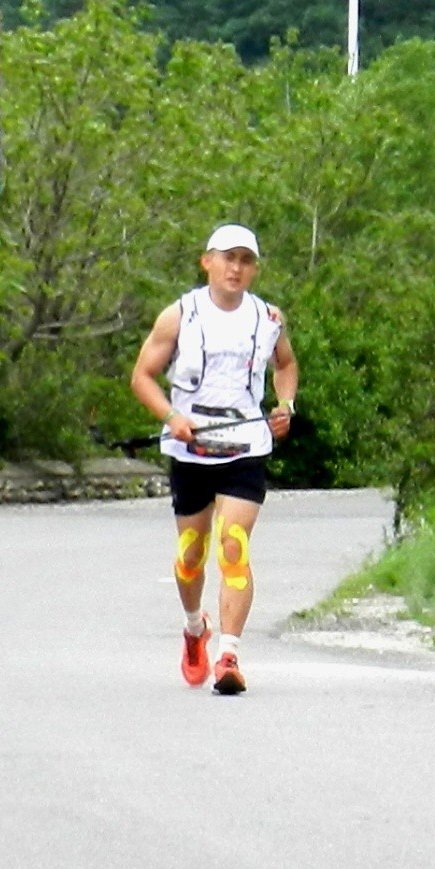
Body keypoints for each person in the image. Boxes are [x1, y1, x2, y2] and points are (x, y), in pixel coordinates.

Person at [130, 224, 298, 697]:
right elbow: (142, 376)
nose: (236, 268)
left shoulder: (268, 318)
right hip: (191, 449)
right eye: (228, 258)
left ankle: (230, 656)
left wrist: (285, 408)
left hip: (245, 446)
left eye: (246, 260)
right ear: (208, 261)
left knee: (233, 544)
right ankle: (192, 628)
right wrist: (171, 415)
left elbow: (285, 366)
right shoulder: (180, 315)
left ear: (255, 268)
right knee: (190, 556)